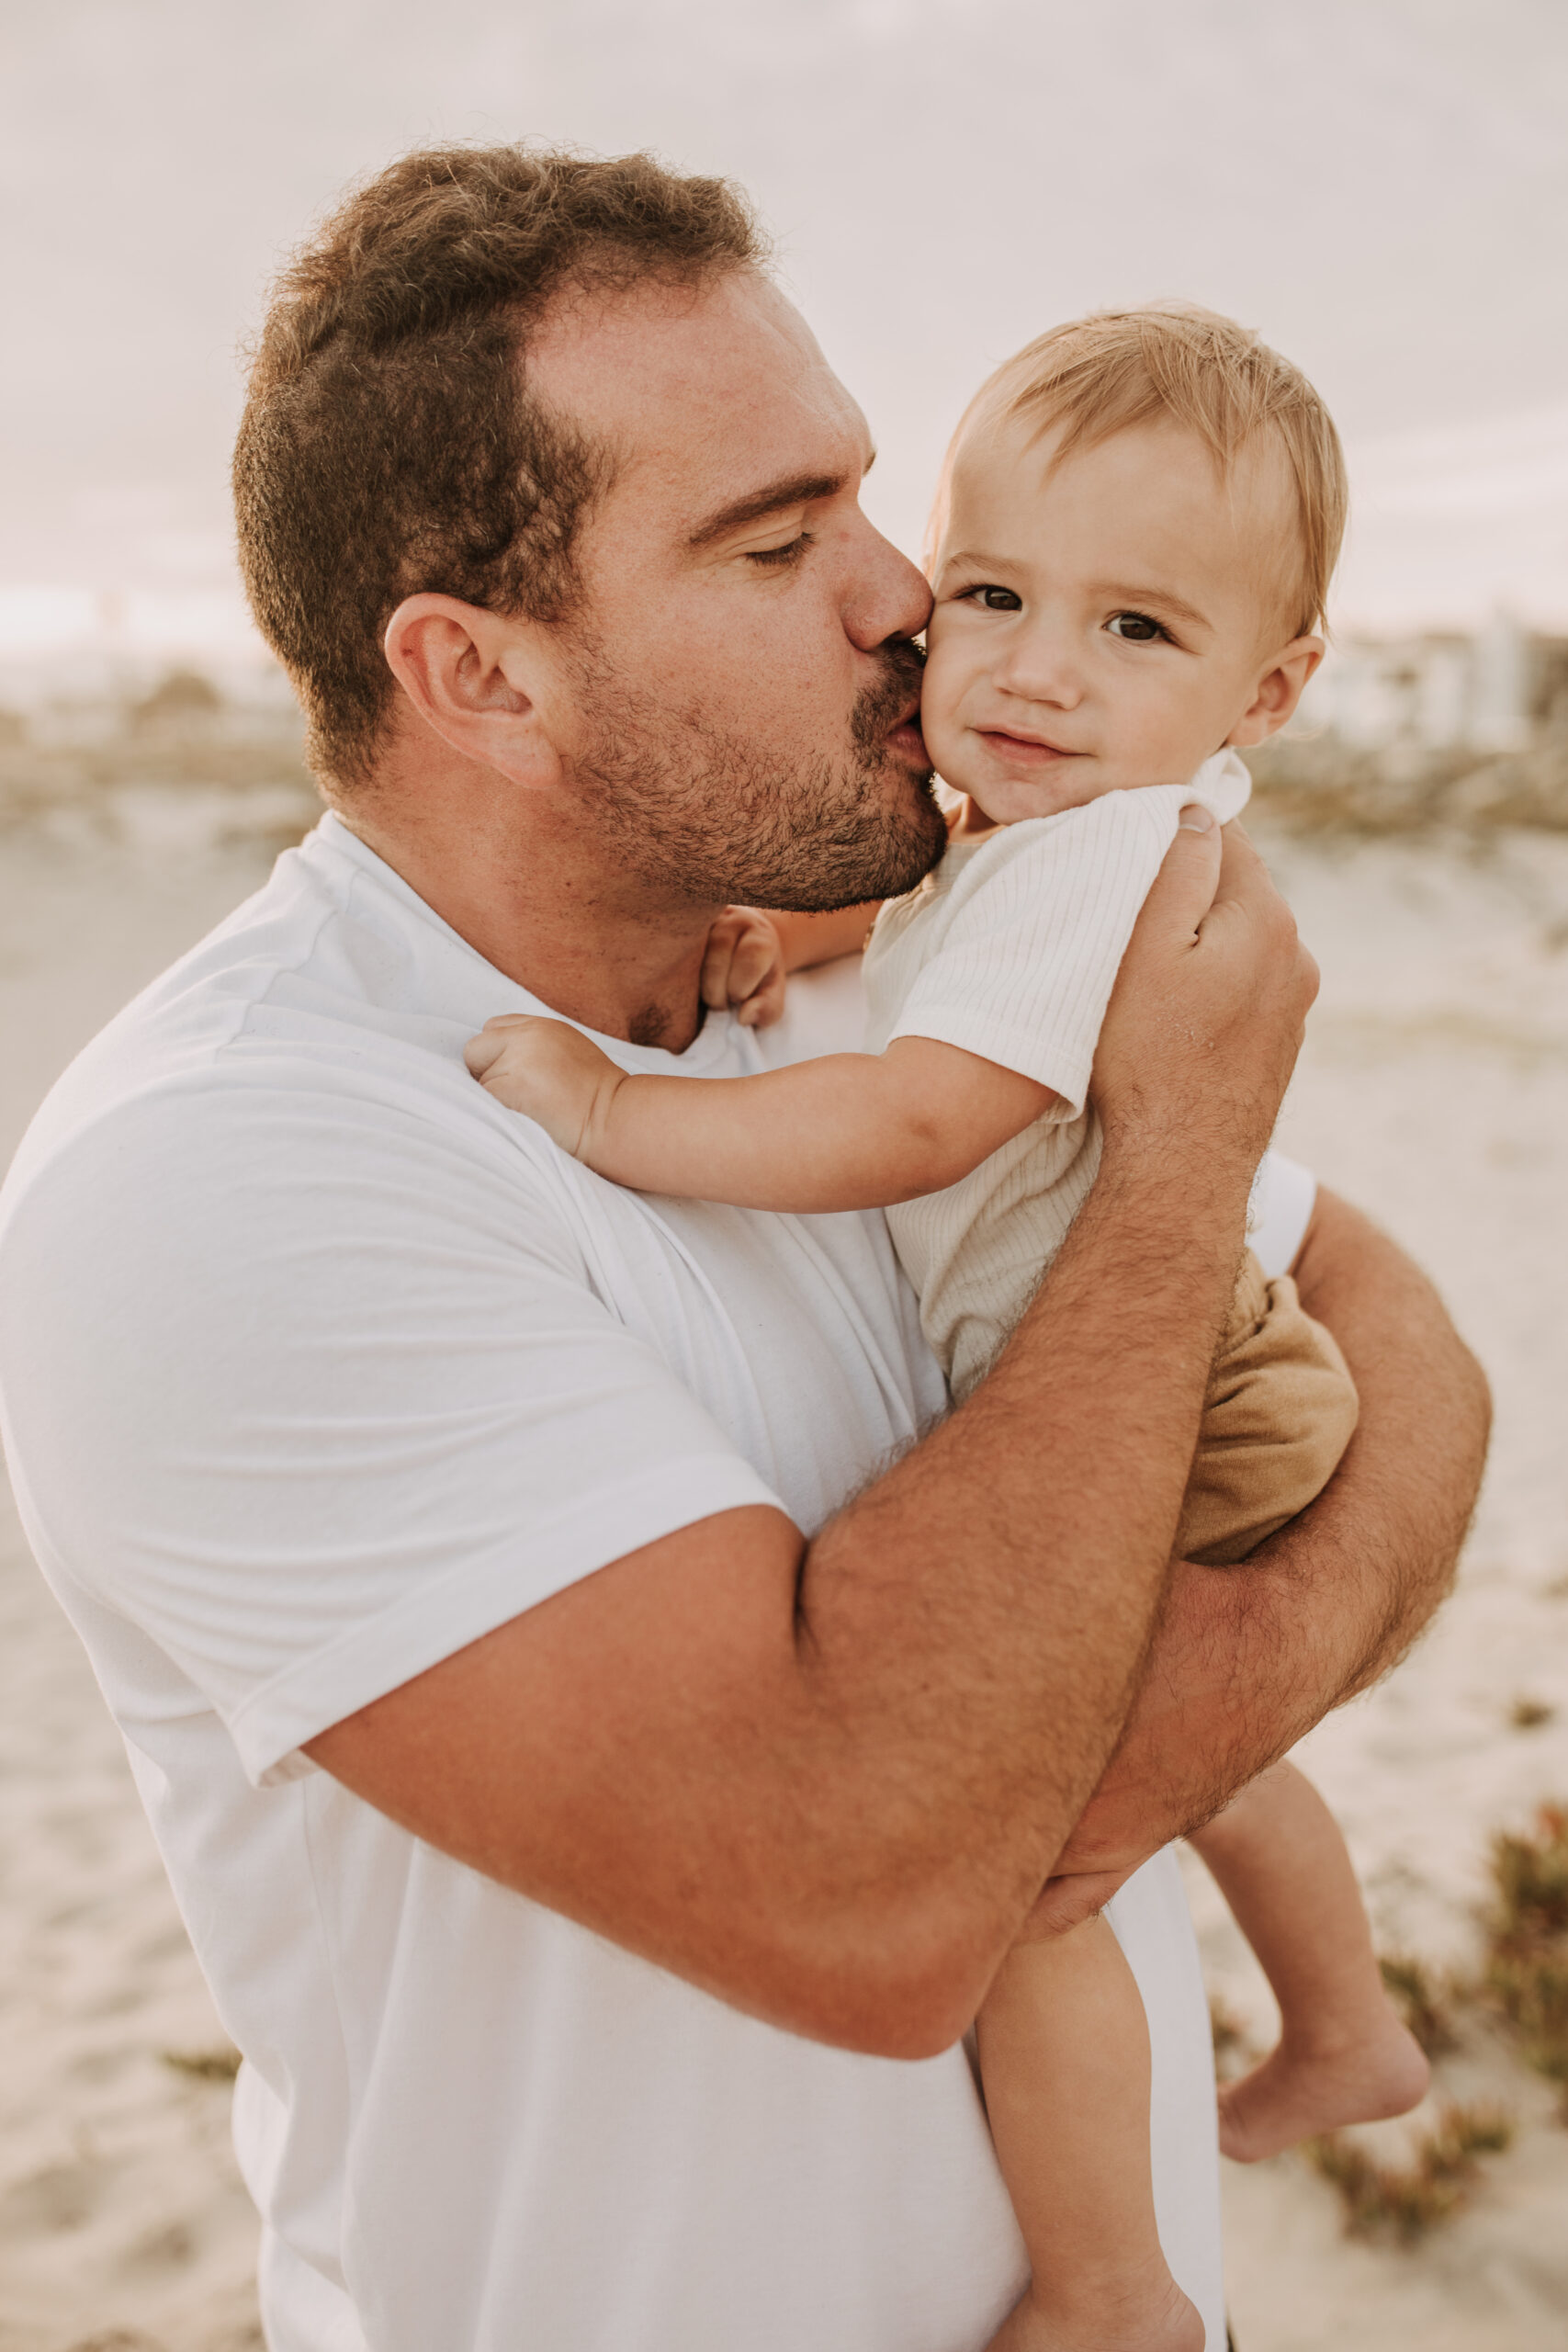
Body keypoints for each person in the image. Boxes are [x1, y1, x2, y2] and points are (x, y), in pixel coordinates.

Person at [0, 150, 1487, 2352]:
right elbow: (873, 1891)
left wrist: (1095, 1751)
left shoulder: (821, 984)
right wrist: (1180, 1157)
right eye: (781, 540)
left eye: (870, 507)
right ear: (477, 673)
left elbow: (1415, 1360)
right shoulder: (233, 1168)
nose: (907, 597)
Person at [465, 304, 1432, 2351]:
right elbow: (921, 926)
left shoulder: (1103, 867)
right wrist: (791, 928)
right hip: (1202, 1357)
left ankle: (1109, 2283)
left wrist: (631, 1112)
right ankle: (1344, 2025)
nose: (1035, 666)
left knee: (1035, 1878)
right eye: (990, 590)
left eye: (1136, 632)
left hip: (1188, 1390)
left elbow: (923, 1105)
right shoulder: (1048, 845)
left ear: (1267, 685)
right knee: (1195, 1764)